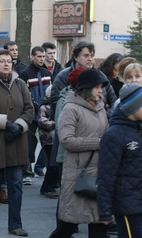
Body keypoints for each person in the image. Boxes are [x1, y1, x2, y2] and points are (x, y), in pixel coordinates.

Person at [0, 49, 34, 236]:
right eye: (2, 61)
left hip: (17, 141)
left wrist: (18, 126)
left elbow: (29, 109)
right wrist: (6, 124)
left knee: (16, 184)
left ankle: (15, 225)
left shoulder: (20, 85)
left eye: (9, 61)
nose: (6, 64)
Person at [49, 68, 109, 238]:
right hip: (77, 175)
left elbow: (107, 134)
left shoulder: (101, 109)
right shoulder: (71, 108)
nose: (100, 90)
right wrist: (97, 143)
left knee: (98, 224)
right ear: (86, 88)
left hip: (98, 173)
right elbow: (66, 140)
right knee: (67, 227)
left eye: (101, 87)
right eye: (96, 87)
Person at [98, 83, 142, 238]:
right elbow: (106, 175)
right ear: (132, 107)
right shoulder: (114, 135)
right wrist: (104, 211)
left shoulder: (138, 130)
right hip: (127, 205)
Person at [19, 46, 53, 184]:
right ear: (32, 56)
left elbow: (51, 92)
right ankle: (27, 172)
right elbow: (25, 95)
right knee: (29, 144)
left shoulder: (47, 73)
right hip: (31, 114)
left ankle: (46, 169)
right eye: (39, 56)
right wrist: (35, 108)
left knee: (48, 143)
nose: (42, 59)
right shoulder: (25, 74)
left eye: (43, 56)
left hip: (45, 113)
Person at [38, 85, 59, 198]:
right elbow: (42, 122)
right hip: (48, 139)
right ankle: (47, 187)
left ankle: (53, 184)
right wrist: (57, 123)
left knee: (55, 164)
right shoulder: (44, 107)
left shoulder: (58, 106)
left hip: (56, 138)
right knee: (52, 164)